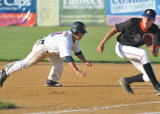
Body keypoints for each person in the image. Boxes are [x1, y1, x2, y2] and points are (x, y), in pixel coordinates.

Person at [0, 21, 95, 87]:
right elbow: (68, 57)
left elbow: (78, 52)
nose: (83, 34)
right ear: (75, 32)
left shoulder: (75, 39)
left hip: (53, 50)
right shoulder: (65, 39)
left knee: (59, 66)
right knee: (26, 63)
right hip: (42, 48)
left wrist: (85, 61)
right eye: (82, 32)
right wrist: (76, 70)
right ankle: (4, 73)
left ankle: (51, 81)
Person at [97, 9, 160, 96]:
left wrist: (153, 50)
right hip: (121, 47)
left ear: (154, 20)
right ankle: (157, 86)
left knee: (149, 76)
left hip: (134, 50)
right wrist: (102, 43)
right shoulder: (132, 22)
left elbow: (155, 54)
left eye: (149, 18)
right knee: (143, 53)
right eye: (145, 17)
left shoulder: (155, 31)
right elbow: (115, 29)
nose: (146, 20)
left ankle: (126, 81)